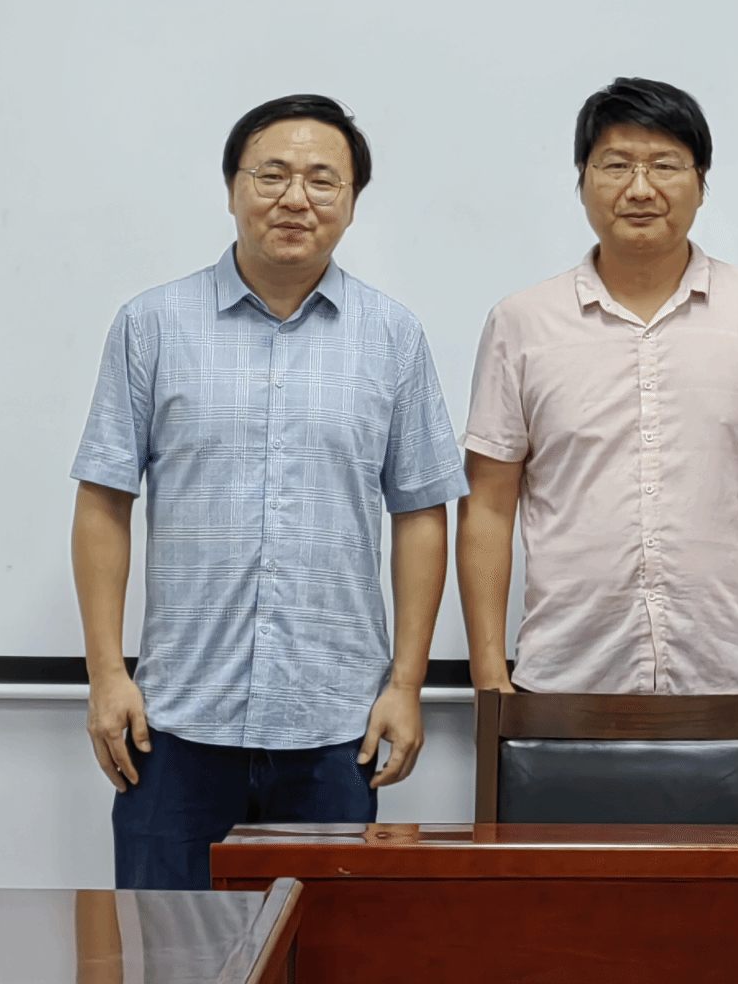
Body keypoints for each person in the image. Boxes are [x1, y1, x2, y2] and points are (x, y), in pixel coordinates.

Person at [69, 94, 468, 889]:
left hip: (336, 724)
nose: (296, 198)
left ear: (352, 200)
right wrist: (108, 675)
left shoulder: (392, 336)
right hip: (174, 722)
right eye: (272, 174)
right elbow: (105, 503)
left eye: (323, 179)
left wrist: (406, 685)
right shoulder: (151, 325)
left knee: (324, 947)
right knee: (164, 946)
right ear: (232, 187)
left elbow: (421, 514)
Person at [457, 77, 738, 756]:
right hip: (565, 680)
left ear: (701, 182)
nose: (640, 188)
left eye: (665, 165)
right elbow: (487, 503)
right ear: (582, 180)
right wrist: (489, 674)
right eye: (616, 165)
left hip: (733, 677)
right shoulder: (522, 323)